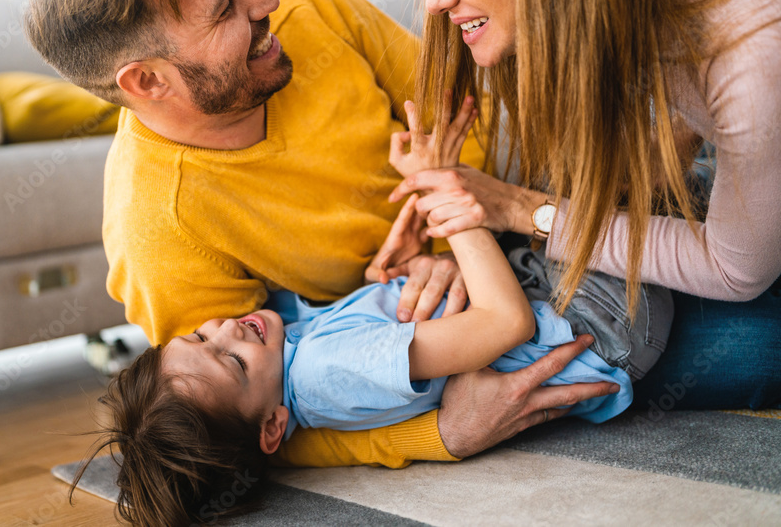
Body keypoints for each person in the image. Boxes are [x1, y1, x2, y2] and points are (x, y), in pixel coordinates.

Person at [23, 0, 621, 471]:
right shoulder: (158, 227)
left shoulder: (300, 5)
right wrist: (440, 434)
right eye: (225, 6)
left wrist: (446, 237)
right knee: (649, 334)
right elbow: (238, 427)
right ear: (148, 80)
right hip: (486, 320)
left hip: (509, 211)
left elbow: (458, 108)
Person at [83, 107, 670, 526]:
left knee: (605, 171)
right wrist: (441, 193)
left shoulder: (290, 350)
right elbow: (503, 323)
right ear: (272, 428)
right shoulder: (325, 372)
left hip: (560, 299)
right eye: (233, 362)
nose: (227, 329)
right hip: (599, 321)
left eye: (199, 334)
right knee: (624, 168)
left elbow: (375, 323)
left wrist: (402, 266)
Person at [389, 0, 781, 410]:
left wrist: (525, 210)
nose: (432, 0)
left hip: (739, 264)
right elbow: (717, 103)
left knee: (655, 347)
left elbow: (735, 269)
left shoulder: (752, 43)